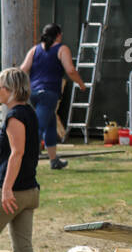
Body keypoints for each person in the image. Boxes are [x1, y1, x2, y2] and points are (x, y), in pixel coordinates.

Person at [0, 67, 46, 252]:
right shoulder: (29, 112)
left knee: (24, 250)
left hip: (14, 193)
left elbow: (17, 154)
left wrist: (6, 189)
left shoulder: (14, 116)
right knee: (24, 251)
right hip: (29, 192)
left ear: (10, 90)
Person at [19, 24, 86, 170]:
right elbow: (71, 70)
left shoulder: (34, 50)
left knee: (50, 126)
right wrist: (81, 84)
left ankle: (54, 160)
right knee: (38, 127)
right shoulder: (62, 49)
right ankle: (23, 161)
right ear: (59, 35)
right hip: (49, 93)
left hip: (35, 93)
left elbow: (23, 69)